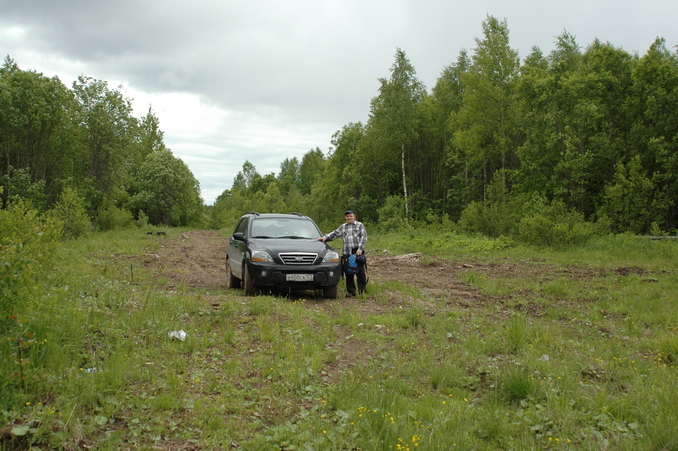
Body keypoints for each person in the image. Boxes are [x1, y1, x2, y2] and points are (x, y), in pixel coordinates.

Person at [318, 210, 368, 296]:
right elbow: (334, 234)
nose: (349, 218)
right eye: (347, 216)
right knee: (348, 272)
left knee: (360, 272)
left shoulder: (359, 225)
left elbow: (363, 237)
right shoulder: (343, 227)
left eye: (350, 216)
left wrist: (360, 249)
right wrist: (325, 238)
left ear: (354, 216)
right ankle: (351, 292)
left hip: (357, 252)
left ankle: (362, 291)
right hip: (347, 253)